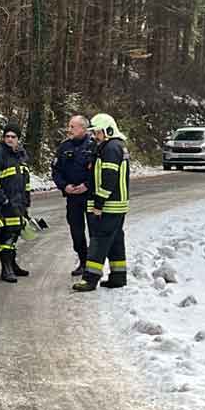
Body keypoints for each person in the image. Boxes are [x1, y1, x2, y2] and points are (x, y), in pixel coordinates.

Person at [72, 113, 130, 292]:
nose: (95, 136)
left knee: (99, 239)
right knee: (115, 240)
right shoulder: (115, 146)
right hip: (117, 205)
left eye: (98, 133)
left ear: (108, 131)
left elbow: (108, 179)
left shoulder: (111, 148)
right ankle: (118, 276)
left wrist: (98, 203)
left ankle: (90, 279)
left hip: (109, 205)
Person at [0, 122, 32, 283]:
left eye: (13, 137)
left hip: (18, 203)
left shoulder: (21, 155)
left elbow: (25, 180)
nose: (10, 139)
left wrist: (26, 202)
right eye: (7, 136)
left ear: (18, 139)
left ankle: (12, 264)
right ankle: (6, 269)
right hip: (3, 203)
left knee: (15, 232)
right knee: (4, 234)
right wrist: (0, 198)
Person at [51, 114, 95, 277]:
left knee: (94, 231)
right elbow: (56, 171)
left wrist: (87, 186)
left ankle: (94, 264)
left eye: (73, 127)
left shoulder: (94, 146)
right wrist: (64, 186)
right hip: (72, 197)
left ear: (83, 128)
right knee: (76, 231)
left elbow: (99, 172)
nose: (69, 130)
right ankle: (83, 261)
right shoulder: (64, 147)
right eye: (69, 126)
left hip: (90, 196)